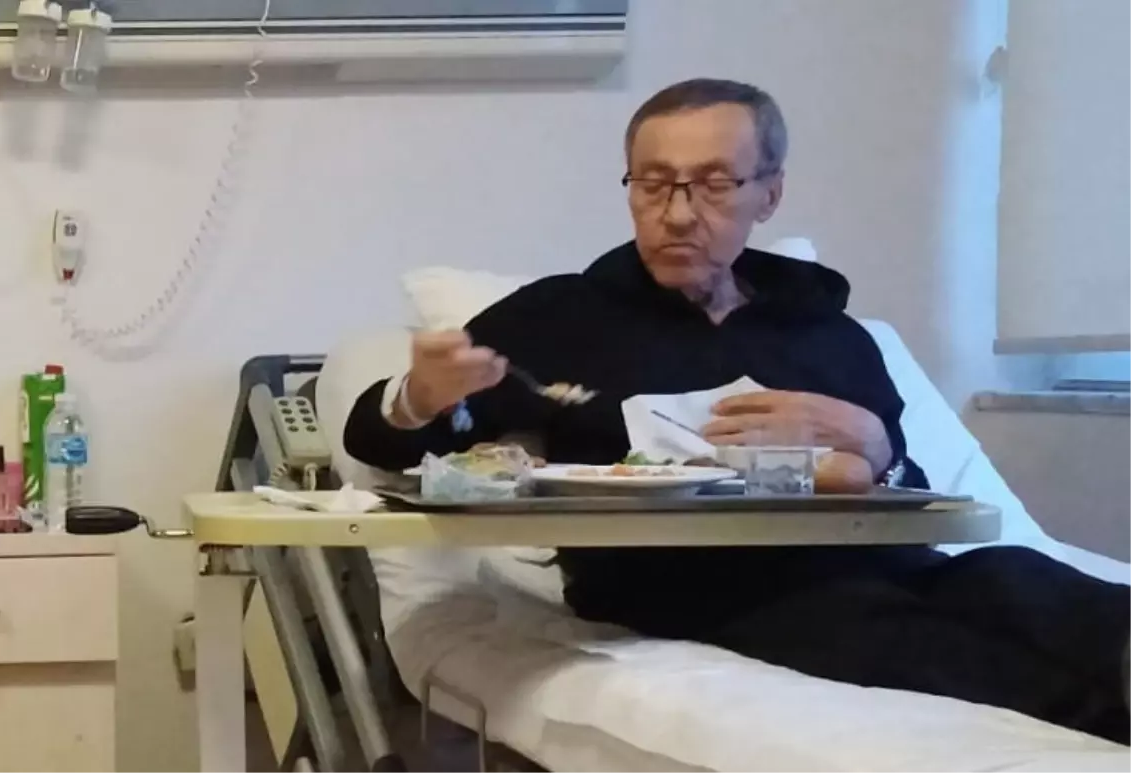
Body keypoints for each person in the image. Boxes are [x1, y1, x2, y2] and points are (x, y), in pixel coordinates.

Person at [344, 78, 1131, 743]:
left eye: (715, 184)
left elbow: (902, 491)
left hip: (878, 561)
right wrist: (420, 396)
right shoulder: (560, 318)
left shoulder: (827, 330)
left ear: (769, 193)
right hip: (692, 588)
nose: (678, 212)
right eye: (653, 183)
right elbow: (380, 440)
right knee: (916, 644)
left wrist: (877, 445)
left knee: (1018, 578)